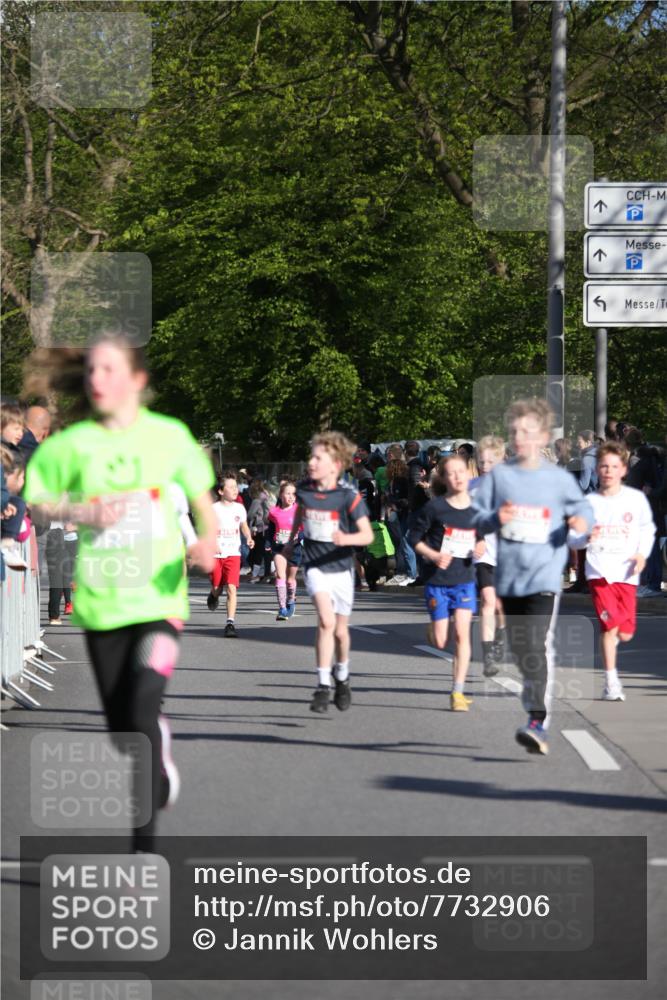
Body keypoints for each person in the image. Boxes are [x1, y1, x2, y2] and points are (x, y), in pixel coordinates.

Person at [24, 332, 218, 852]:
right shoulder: (72, 446)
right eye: (91, 370)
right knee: (121, 732)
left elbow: (203, 501)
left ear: (137, 380)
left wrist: (207, 541)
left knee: (140, 711)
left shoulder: (169, 436)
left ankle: (142, 851)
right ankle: (156, 753)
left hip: (158, 604)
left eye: (109, 369)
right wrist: (81, 510)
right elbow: (38, 503)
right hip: (101, 605)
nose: (96, 379)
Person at [472, 398, 593, 756]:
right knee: (523, 649)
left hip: (543, 578)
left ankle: (537, 721)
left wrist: (580, 525)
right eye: (515, 432)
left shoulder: (558, 479)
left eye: (528, 431)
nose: (520, 437)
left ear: (542, 435)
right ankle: (534, 705)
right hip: (509, 575)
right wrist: (496, 519)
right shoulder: (501, 476)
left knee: (537, 645)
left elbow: (582, 517)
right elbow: (477, 517)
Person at [285, 432, 373, 714]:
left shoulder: (347, 496)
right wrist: (291, 539)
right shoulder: (304, 489)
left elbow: (367, 535)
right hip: (315, 566)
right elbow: (302, 510)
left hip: (341, 568)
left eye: (317, 458)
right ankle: (323, 685)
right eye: (311, 456)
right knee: (325, 621)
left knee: (341, 631)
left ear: (335, 464)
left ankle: (343, 676)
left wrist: (346, 540)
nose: (311, 462)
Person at [567, 442, 655, 702]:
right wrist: (585, 537)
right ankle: (611, 682)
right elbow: (573, 538)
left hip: (627, 573)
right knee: (609, 626)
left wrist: (641, 554)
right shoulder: (589, 502)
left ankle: (613, 646)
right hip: (600, 572)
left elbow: (647, 530)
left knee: (625, 633)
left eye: (614, 466)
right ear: (597, 469)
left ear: (623, 470)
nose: (608, 471)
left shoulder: (635, 499)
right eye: (604, 466)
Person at [410, 455, 484, 711]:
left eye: (461, 472)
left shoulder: (476, 510)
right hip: (438, 581)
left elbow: (482, 537)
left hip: (464, 580)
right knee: (441, 641)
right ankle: (433, 627)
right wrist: (432, 555)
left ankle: (458, 692)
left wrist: (480, 547)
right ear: (444, 478)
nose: (458, 477)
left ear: (468, 474)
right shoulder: (435, 508)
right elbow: (414, 539)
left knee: (463, 636)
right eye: (451, 473)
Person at [471, 436, 507, 677]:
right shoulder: (471, 486)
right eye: (481, 461)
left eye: (490, 462)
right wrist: (478, 538)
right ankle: (487, 657)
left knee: (501, 605)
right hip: (482, 551)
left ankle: (501, 634)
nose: (485, 466)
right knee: (487, 600)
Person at [208, 474, 254, 636]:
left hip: (233, 553)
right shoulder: (213, 509)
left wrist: (248, 537)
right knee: (217, 588)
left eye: (236, 486)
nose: (236, 490)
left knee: (231, 589)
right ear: (221, 491)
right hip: (216, 555)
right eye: (231, 487)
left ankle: (230, 623)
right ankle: (213, 595)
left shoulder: (239, 508)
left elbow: (244, 526)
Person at [267, 479, 301, 620]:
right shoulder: (273, 512)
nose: (291, 496)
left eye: (293, 494)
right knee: (280, 576)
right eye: (287, 493)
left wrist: (298, 538)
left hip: (295, 548)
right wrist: (268, 543)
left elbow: (305, 530)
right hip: (279, 548)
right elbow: (270, 530)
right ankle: (282, 608)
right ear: (281, 495)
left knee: (290, 579)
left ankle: (291, 599)